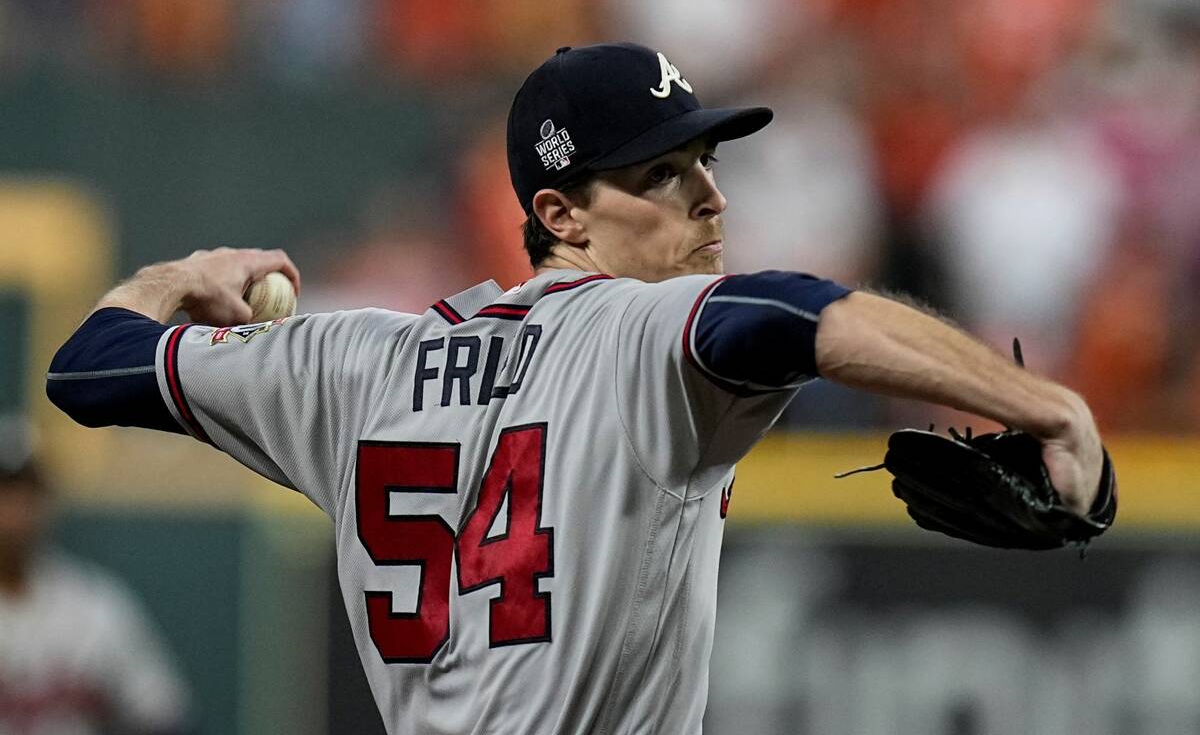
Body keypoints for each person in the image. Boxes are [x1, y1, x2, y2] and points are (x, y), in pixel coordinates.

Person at [45, 42, 1110, 734]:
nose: (710, 197)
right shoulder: (641, 329)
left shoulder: (347, 357)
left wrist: (173, 279)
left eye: (704, 160)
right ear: (561, 215)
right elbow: (799, 315)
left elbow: (89, 370)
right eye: (664, 175)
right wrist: (1048, 406)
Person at [0, 427, 191, 735]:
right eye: (4, 494)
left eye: (25, 495)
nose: (13, 512)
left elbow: (162, 714)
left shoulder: (94, 605)